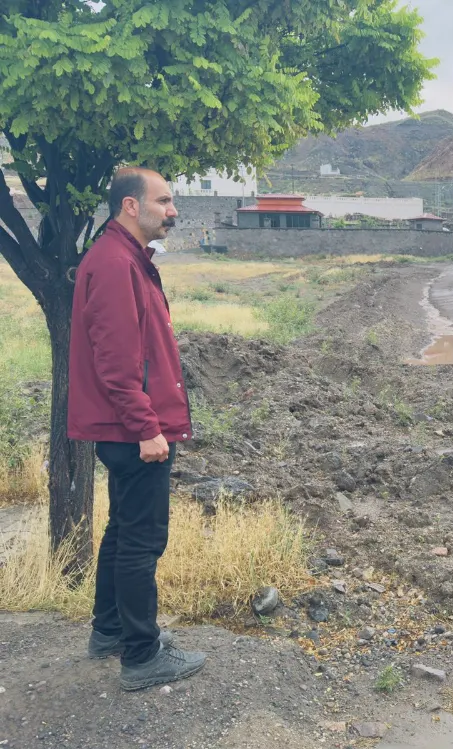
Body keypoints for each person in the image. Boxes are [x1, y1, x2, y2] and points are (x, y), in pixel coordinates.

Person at [68, 167, 207, 691]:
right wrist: (148, 427)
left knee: (122, 531)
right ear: (131, 206)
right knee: (142, 541)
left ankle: (110, 632)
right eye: (165, 201)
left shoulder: (124, 259)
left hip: (126, 428)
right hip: (134, 432)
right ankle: (142, 655)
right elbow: (118, 361)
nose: (173, 210)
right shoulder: (113, 263)